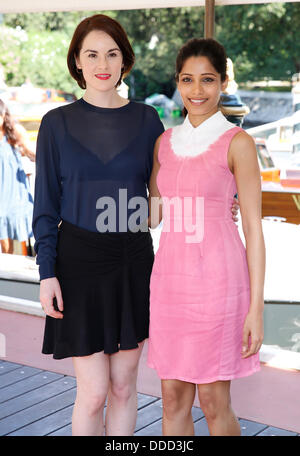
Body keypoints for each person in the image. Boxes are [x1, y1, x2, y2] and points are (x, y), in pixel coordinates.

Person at [32, 15, 240, 437]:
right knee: (92, 393)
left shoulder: (147, 121)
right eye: (91, 54)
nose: (102, 63)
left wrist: (215, 205)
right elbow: (45, 207)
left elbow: (163, 193)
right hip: (77, 264)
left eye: (112, 53)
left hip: (134, 261)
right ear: (77, 61)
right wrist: (46, 272)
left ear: (125, 60)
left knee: (126, 388)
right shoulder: (56, 124)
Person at [147, 38, 265, 436]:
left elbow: (253, 228)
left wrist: (256, 308)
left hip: (219, 283)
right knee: (172, 400)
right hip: (170, 285)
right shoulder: (163, 143)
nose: (197, 91)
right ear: (177, 82)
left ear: (223, 81)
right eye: (187, 80)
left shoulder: (240, 143)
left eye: (207, 80)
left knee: (215, 403)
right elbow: (152, 215)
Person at [0, 99, 34, 254]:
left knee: (18, 228)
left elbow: (31, 152)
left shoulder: (14, 132)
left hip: (14, 191)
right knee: (3, 234)